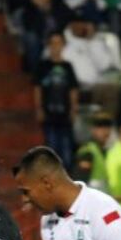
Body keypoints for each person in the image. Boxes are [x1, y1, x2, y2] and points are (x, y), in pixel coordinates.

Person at [33, 32, 79, 169]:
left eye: (59, 43)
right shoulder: (43, 66)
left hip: (65, 113)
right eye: (53, 43)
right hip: (48, 112)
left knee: (66, 149)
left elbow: (73, 89)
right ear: (48, 45)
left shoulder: (68, 67)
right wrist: (39, 108)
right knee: (52, 146)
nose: (56, 46)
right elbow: (38, 88)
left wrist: (73, 109)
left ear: (63, 45)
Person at [73, 112, 112, 189]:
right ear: (92, 129)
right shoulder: (87, 151)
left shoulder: (106, 151)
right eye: (100, 127)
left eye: (107, 127)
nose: (105, 131)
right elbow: (80, 181)